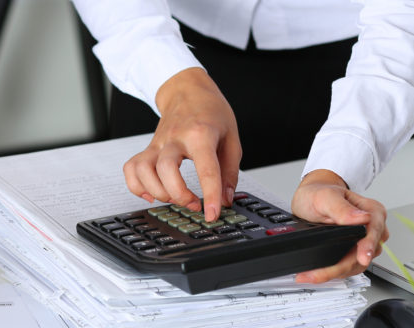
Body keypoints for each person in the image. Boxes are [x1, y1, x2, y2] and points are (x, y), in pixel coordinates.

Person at [73, 0, 412, 284]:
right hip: (166, 50)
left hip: (354, 58)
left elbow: (402, 25)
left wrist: (333, 173)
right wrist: (176, 87)